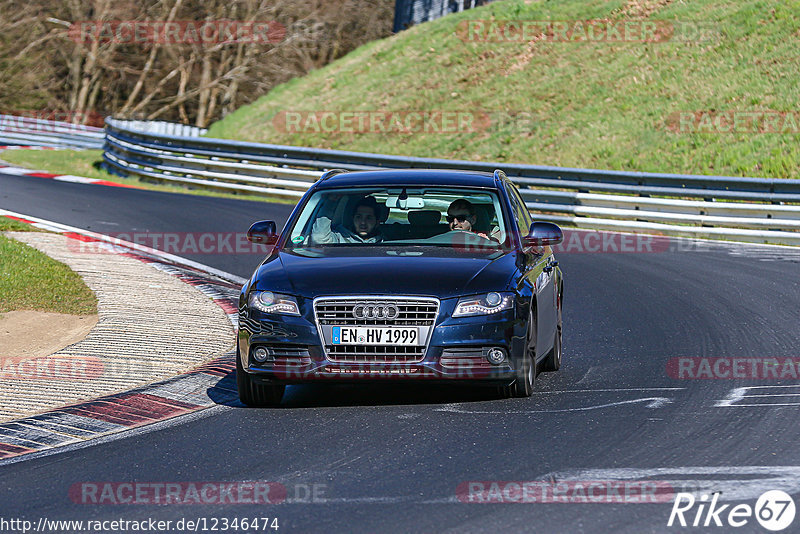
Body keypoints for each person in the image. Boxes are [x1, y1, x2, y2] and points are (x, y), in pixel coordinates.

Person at [311, 196, 386, 244]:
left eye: (368, 218)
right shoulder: (340, 238)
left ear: (377, 222)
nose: (363, 222)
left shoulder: (387, 243)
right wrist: (331, 203)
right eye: (358, 217)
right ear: (353, 219)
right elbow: (319, 238)